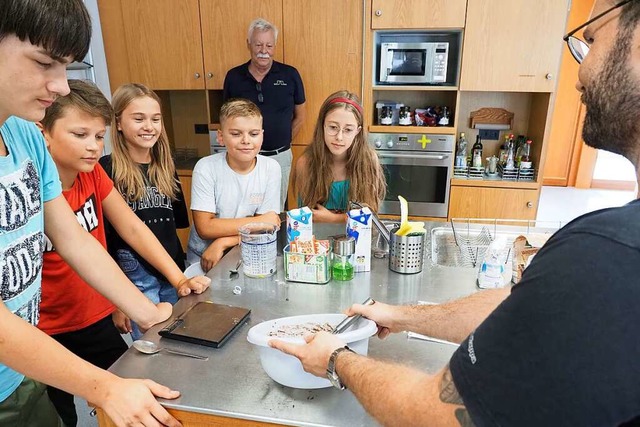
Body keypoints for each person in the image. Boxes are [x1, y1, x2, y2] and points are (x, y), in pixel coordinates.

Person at [270, 1, 640, 425]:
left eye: (589, 39)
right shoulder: (602, 248)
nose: (579, 68)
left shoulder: (607, 250)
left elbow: (438, 414)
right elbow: (518, 305)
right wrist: (400, 314)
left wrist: (337, 360)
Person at [0, 1, 183, 426]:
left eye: (65, 66)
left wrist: (148, 312)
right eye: (45, 63)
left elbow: (73, 239)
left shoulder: (25, 135)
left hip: (21, 372)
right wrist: (105, 388)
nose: (62, 86)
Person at [38, 79, 211, 426]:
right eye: (79, 134)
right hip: (46, 328)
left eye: (98, 137)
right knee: (60, 416)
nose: (92, 146)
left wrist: (178, 278)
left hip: (94, 316)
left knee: (132, 396)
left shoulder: (92, 177)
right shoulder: (36, 185)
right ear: (43, 133)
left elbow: (133, 228)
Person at [99, 83, 203, 341]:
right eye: (139, 118)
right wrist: (118, 301)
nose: (149, 126)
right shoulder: (106, 168)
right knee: (149, 342)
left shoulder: (165, 166)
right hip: (134, 273)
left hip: (170, 265)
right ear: (119, 123)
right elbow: (103, 242)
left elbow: (177, 225)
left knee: (178, 333)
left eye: (155, 119)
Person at [186, 98, 281, 271]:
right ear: (220, 136)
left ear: (262, 135)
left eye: (253, 134)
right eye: (236, 134)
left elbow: (264, 230)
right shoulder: (206, 167)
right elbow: (205, 228)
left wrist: (224, 241)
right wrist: (260, 221)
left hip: (247, 251)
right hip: (204, 255)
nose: (246, 140)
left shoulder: (271, 168)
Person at [223, 17, 306, 210]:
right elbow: (227, 118)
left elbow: (300, 116)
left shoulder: (290, 75)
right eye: (258, 44)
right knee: (244, 209)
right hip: (244, 157)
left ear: (274, 46)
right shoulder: (234, 77)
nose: (263, 50)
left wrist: (284, 143)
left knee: (275, 211)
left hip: (280, 158)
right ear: (248, 44)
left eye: (269, 45)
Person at [293, 90, 386, 223]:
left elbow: (370, 216)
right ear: (322, 126)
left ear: (357, 132)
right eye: (333, 127)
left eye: (348, 130)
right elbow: (306, 218)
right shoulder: (305, 163)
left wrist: (333, 218)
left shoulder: (369, 161)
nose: (339, 137)